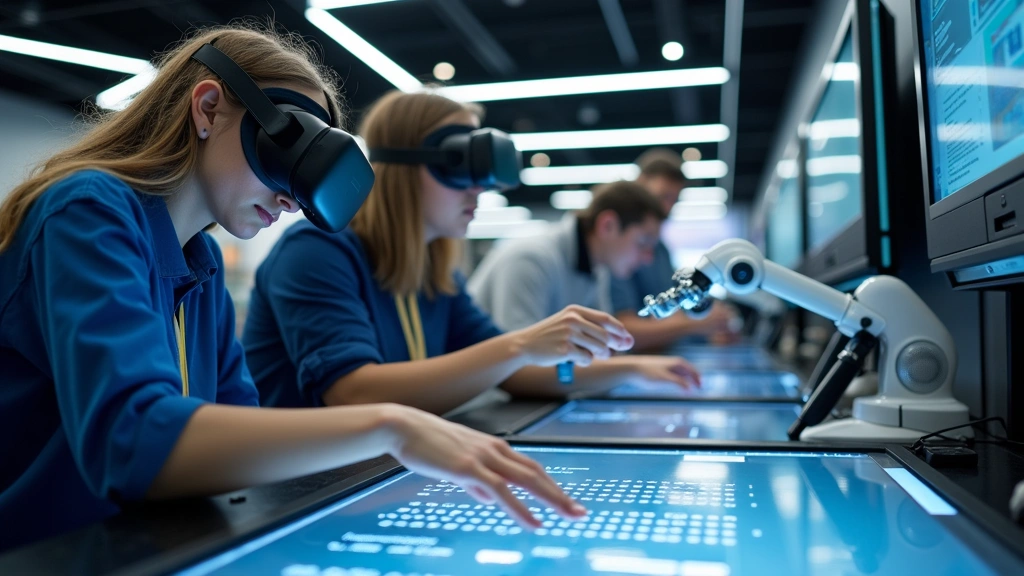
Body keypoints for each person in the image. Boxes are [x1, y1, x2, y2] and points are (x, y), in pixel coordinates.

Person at [0, 26, 584, 553]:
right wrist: (392, 426)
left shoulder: (199, 267)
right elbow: (131, 442)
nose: (292, 199)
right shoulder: (86, 211)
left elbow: (239, 443)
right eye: (286, 156)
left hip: (148, 549)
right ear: (208, 109)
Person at [242, 90, 698, 416]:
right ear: (401, 168)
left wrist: (630, 369)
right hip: (306, 497)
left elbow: (514, 374)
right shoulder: (318, 251)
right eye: (460, 165)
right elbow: (355, 394)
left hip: (384, 471)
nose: (479, 187)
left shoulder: (435, 274)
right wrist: (520, 344)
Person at [608, 148, 738, 353]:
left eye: (673, 201)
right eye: (663, 197)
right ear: (640, 184)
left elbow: (672, 316)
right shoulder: (616, 246)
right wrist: (697, 325)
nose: (667, 209)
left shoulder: (661, 250)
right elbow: (622, 331)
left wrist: (709, 333)